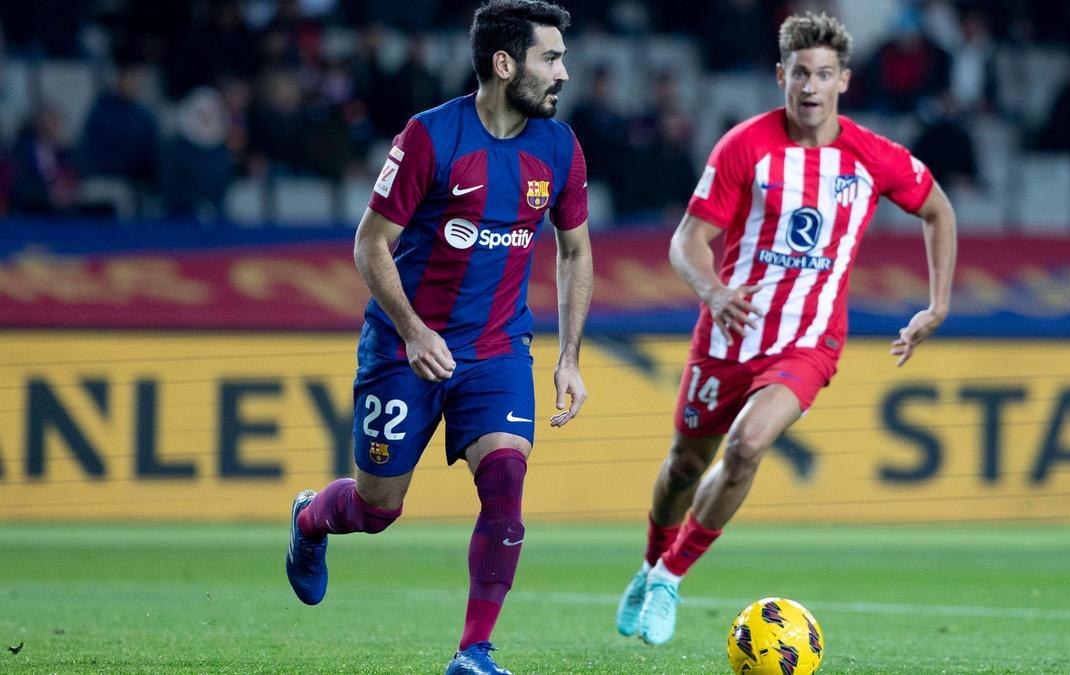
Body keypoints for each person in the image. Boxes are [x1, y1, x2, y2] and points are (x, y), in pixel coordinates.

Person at [615, 11, 957, 646]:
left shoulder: (871, 156)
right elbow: (688, 240)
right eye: (800, 72)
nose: (810, 86)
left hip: (809, 341)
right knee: (684, 465)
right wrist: (713, 291)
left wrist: (936, 305)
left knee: (746, 448)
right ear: (781, 75)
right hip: (729, 335)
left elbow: (937, 209)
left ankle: (670, 577)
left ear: (844, 81)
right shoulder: (744, 145)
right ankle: (648, 563)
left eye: (824, 74)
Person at [284, 2, 591, 674]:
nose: (564, 73)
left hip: (497, 348)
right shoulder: (430, 137)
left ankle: (473, 652)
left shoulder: (560, 148)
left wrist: (569, 357)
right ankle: (311, 518)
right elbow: (370, 244)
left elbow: (573, 252)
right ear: (505, 65)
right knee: (376, 508)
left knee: (507, 480)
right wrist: (414, 329)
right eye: (551, 58)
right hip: (404, 348)